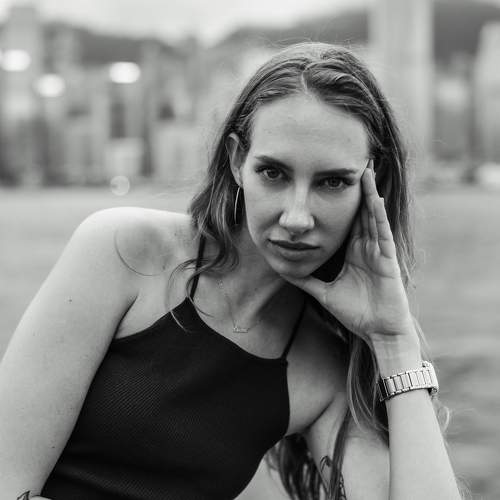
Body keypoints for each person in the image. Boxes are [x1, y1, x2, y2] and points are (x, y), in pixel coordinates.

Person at [0, 42, 465, 500]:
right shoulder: (123, 252)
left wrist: (395, 342)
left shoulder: (320, 370)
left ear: (372, 183)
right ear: (237, 160)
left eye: (332, 182)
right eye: (274, 173)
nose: (297, 217)